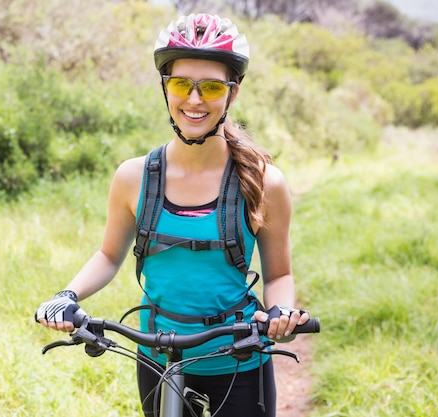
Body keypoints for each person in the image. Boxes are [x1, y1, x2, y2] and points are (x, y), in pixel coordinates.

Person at [35, 13, 311, 417]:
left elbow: (279, 275)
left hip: (239, 358)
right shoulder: (133, 177)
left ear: (232, 94)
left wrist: (281, 313)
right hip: (157, 358)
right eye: (182, 84)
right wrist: (66, 295)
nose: (195, 100)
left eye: (212, 86)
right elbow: (109, 255)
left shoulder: (266, 182)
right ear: (166, 88)